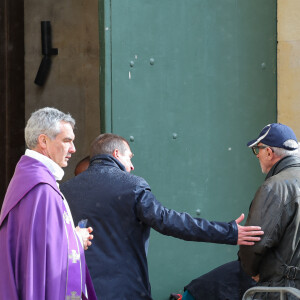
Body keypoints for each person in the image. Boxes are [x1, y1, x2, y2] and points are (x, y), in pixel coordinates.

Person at [61, 133, 263, 300]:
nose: (132, 166)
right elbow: (171, 222)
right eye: (129, 157)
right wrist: (228, 232)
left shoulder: (65, 191)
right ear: (116, 154)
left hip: (79, 290)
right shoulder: (131, 186)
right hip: (125, 291)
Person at [182, 123, 300, 300]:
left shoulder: (274, 187)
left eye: (257, 150)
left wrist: (250, 270)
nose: (257, 155)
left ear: (269, 152)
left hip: (279, 291)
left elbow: (255, 240)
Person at [0, 107, 97, 300]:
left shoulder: (29, 176)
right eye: (67, 141)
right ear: (43, 141)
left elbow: (37, 246)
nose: (73, 149)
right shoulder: (41, 187)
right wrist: (76, 239)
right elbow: (44, 254)